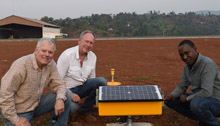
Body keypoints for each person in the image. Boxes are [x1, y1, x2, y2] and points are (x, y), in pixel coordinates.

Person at [0, 37, 71, 126]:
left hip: (35, 104)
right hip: (18, 110)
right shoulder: (21, 65)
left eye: (50, 52)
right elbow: (5, 93)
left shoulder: (50, 64)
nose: (47, 54)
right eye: (43, 51)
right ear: (36, 50)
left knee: (66, 95)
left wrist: (60, 99)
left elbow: (60, 83)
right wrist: (16, 120)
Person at [165, 39, 220, 126]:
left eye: (187, 53)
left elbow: (207, 92)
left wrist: (187, 99)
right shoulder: (187, 67)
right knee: (172, 100)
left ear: (195, 49)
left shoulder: (207, 64)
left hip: (216, 101)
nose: (185, 57)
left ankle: (212, 123)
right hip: (201, 100)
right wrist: (171, 95)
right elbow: (182, 86)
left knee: (196, 104)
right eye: (181, 55)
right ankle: (204, 118)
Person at [57, 30, 107, 122]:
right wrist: (70, 94)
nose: (88, 45)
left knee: (101, 81)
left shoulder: (93, 57)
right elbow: (57, 81)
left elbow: (92, 79)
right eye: (86, 41)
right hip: (67, 89)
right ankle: (71, 114)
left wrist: (94, 98)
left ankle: (85, 111)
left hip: (82, 87)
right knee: (73, 108)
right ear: (79, 41)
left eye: (91, 43)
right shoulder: (67, 55)